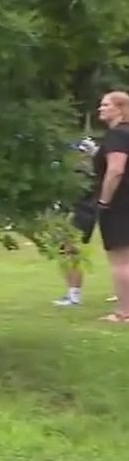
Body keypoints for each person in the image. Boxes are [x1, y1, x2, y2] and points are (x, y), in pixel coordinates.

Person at [93, 91, 129, 322]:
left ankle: (124, 312)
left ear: (120, 108)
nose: (100, 108)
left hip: (120, 203)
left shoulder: (117, 135)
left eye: (105, 105)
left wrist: (104, 201)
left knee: (121, 259)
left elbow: (115, 170)